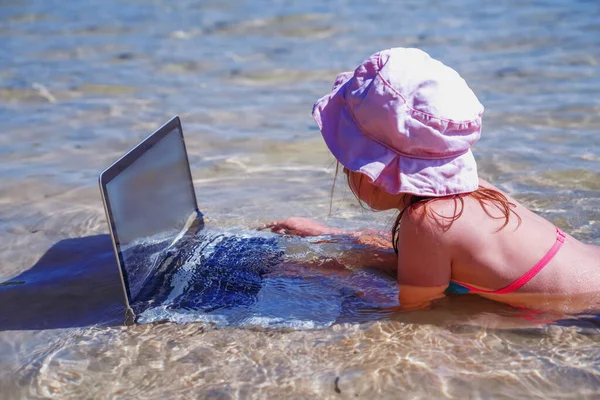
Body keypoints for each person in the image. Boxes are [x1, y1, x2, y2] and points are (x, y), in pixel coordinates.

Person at [263, 48, 600, 313]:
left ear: (373, 170)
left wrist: (321, 275)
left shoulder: (426, 221)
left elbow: (415, 308)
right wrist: (333, 236)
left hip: (585, 308)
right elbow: (426, 256)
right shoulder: (470, 194)